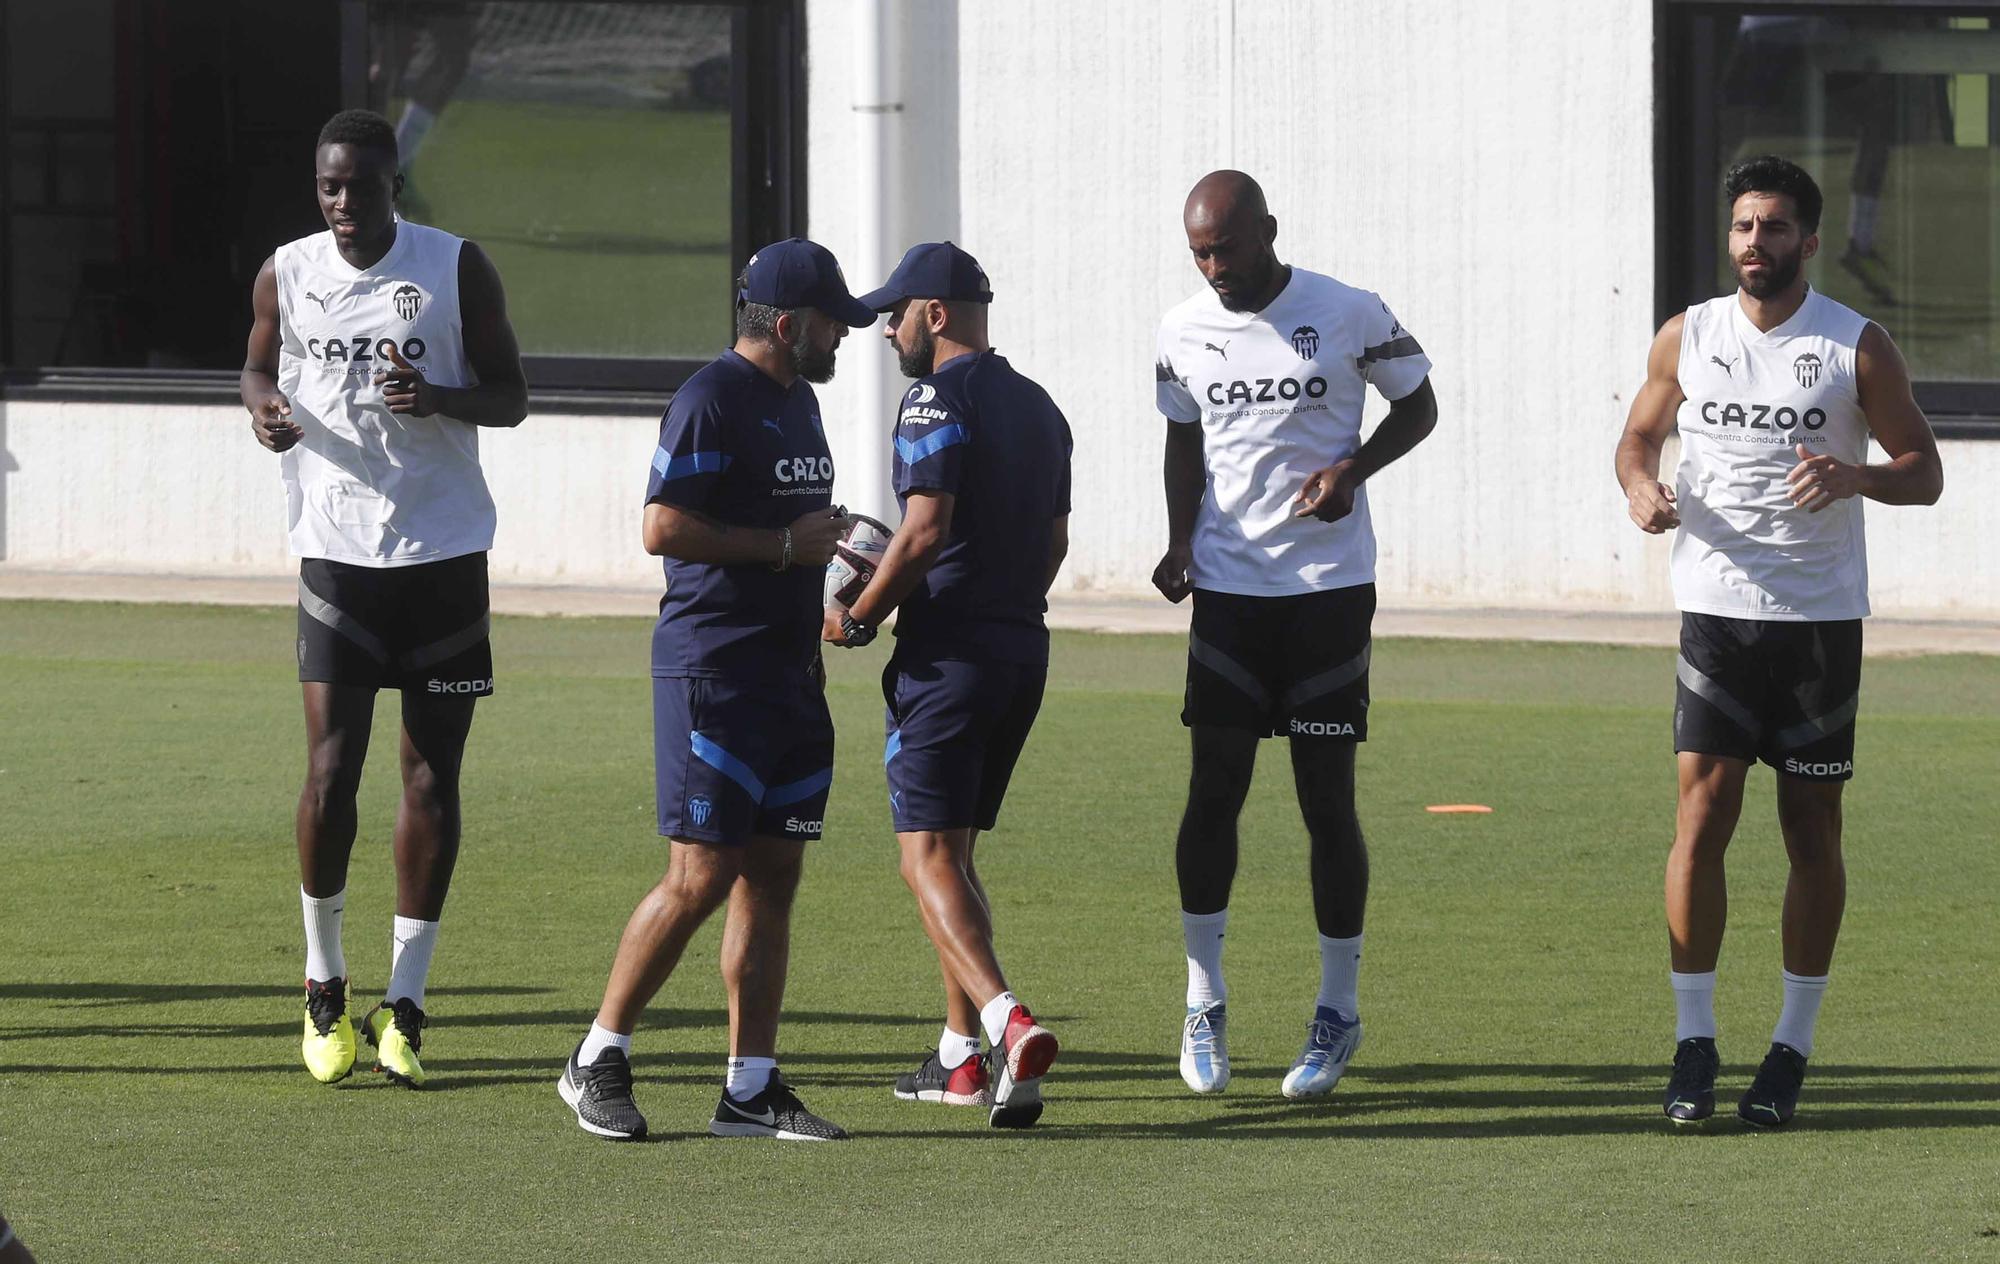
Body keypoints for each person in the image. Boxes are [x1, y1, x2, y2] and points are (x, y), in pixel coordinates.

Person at [1615, 155, 1942, 1127]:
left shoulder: (1853, 345)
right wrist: (1638, 486)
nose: (1753, 243)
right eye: (1740, 227)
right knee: (1700, 816)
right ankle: (1692, 1042)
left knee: (1809, 829)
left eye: (1772, 228)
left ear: (1808, 237)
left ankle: (1789, 1047)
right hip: (1713, 612)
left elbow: (1921, 470)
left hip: (1815, 624)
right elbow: (1636, 437)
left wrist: (1855, 481)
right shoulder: (1690, 334)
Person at [240, 108, 528, 1089]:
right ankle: (323, 984)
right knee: (329, 774)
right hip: (334, 554)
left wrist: (440, 395)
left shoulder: (454, 268)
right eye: (328, 188)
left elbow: (514, 393)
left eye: (359, 188)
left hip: (443, 557)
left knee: (428, 781)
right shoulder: (286, 269)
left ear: (390, 186)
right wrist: (262, 410)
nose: (342, 206)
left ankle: (405, 1002)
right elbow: (254, 362)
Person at [556, 239, 866, 1142]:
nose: (843, 332)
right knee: (700, 873)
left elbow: (794, 529)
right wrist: (781, 550)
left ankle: (750, 1088)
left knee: (772, 874)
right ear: (785, 322)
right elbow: (660, 526)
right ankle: (595, 1057)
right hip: (713, 671)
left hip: (787, 671)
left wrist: (840, 559)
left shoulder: (799, 401)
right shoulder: (709, 398)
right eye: (832, 318)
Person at [1152, 171, 1437, 1098]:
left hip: (1326, 593)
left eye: (1226, 247)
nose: (1213, 267)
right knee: (1214, 792)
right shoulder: (1182, 329)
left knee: (1326, 803)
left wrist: (1353, 468)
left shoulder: (1348, 311)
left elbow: (1420, 405)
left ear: (1269, 231)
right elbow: (1183, 437)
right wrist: (1178, 539)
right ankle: (1203, 998)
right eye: (1199, 251)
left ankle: (1338, 1010)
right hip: (1230, 596)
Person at [825, 242, 1072, 1128]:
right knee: (955, 857)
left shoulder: (932, 396)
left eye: (896, 314)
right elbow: (1053, 546)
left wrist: (859, 615)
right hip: (1021, 655)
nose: (888, 330)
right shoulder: (1041, 406)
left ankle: (1007, 1023)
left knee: (922, 856)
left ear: (935, 314)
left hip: (947, 664)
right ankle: (962, 1059)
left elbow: (922, 532)